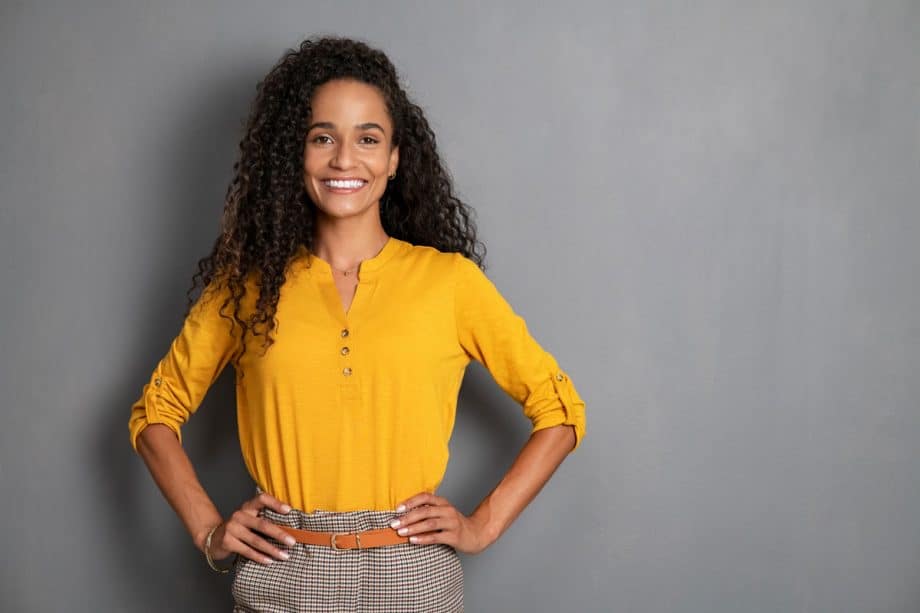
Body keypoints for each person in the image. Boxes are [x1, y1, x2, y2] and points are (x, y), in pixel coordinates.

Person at [128, 35, 586, 612]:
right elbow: (155, 413)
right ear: (295, 154)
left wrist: (483, 525)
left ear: (394, 159)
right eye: (322, 138)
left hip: (413, 578)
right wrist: (208, 530)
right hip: (283, 574)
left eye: (368, 139)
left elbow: (560, 410)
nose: (345, 160)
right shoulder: (246, 287)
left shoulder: (449, 283)